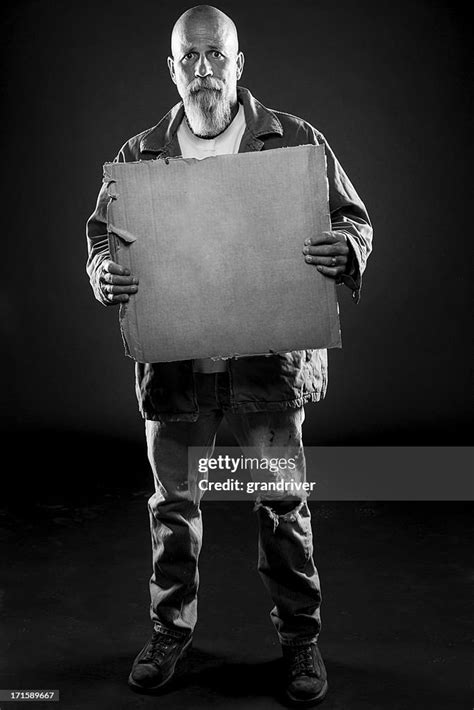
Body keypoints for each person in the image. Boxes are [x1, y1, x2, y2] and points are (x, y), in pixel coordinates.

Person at [86, 5, 372, 706]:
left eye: (217, 55)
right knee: (173, 508)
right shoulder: (139, 156)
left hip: (265, 374)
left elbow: (354, 219)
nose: (204, 69)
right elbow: (101, 235)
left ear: (239, 64)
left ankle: (301, 641)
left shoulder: (295, 143)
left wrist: (350, 250)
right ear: (173, 68)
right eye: (190, 57)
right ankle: (168, 632)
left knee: (280, 505)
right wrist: (99, 270)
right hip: (176, 373)